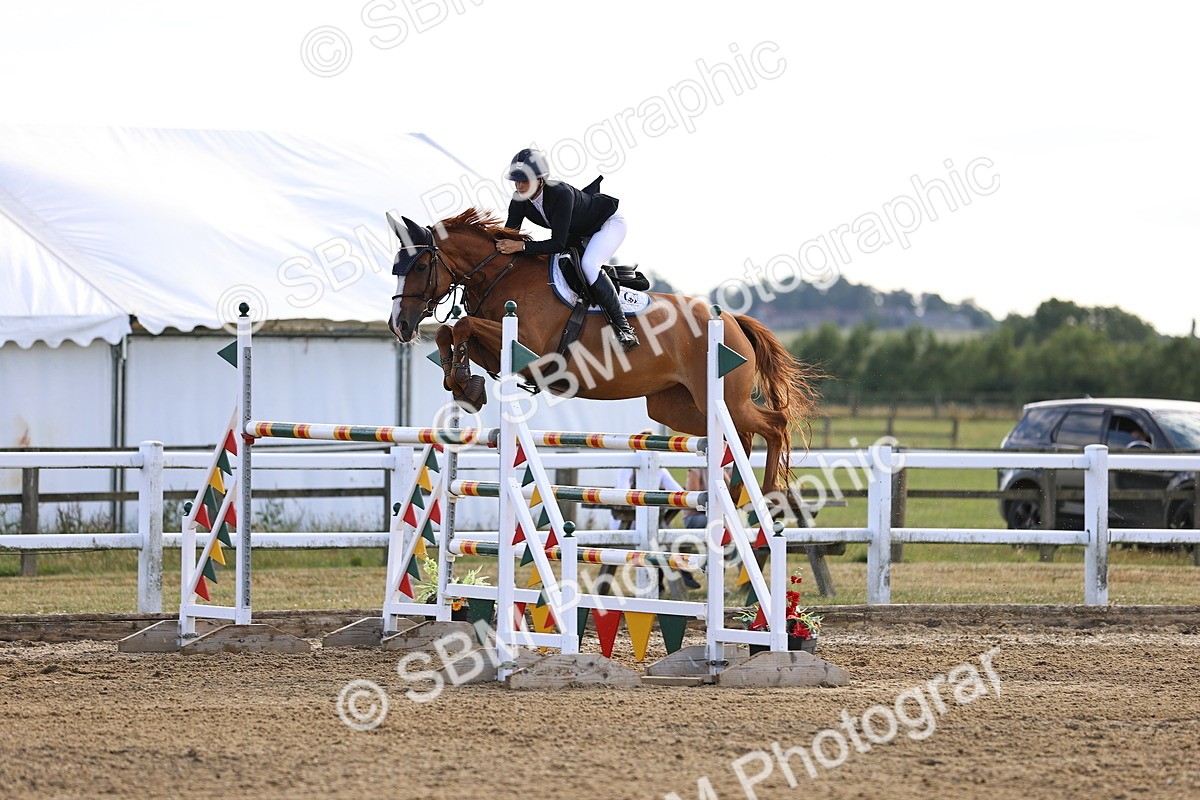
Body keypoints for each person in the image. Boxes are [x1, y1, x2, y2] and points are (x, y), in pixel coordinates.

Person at [496, 148, 640, 351]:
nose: (519, 186)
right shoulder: (519, 200)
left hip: (607, 224)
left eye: (524, 180)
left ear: (540, 179)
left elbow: (558, 244)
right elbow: (509, 235)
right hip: (578, 233)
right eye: (516, 181)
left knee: (589, 264)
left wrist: (521, 246)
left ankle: (624, 329)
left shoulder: (560, 194)